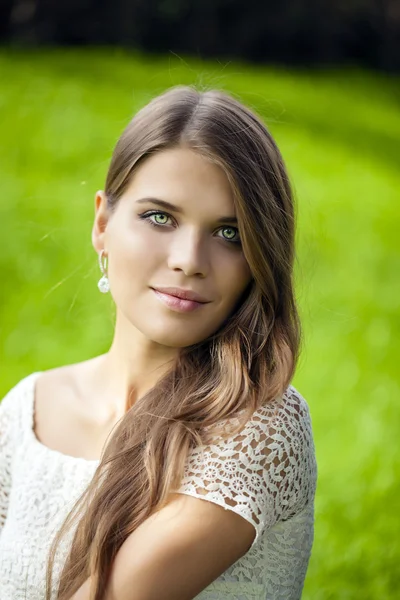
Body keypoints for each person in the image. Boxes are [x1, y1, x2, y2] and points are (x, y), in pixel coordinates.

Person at [0, 85, 317, 600]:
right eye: (160, 218)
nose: (189, 259)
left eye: (229, 233)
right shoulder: (24, 413)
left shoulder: (260, 426)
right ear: (102, 225)